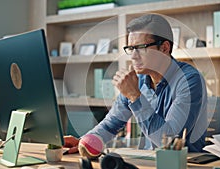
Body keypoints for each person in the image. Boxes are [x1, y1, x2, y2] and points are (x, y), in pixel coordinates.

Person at [64, 14, 207, 154]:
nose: (133, 56)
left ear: (164, 48)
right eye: (131, 48)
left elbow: (169, 142)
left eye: (141, 47)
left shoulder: (189, 80)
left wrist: (135, 96)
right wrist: (84, 141)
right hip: (147, 162)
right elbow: (110, 124)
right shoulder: (138, 79)